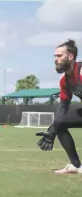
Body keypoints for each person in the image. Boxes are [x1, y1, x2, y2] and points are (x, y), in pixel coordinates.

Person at [36, 39, 82, 174]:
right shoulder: (65, 81)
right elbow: (63, 107)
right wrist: (52, 130)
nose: (56, 59)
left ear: (71, 56)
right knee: (59, 123)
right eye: (55, 56)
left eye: (59, 56)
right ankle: (76, 166)